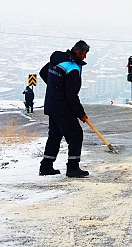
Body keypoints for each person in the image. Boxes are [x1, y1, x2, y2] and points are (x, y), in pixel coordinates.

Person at [38, 40, 90, 178]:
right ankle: (73, 168)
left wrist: (54, 87)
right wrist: (81, 113)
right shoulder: (72, 67)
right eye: (84, 54)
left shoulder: (58, 59)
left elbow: (43, 72)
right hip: (62, 107)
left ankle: (46, 166)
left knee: (55, 135)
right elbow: (71, 95)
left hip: (51, 104)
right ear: (78, 53)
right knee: (75, 135)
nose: (85, 57)